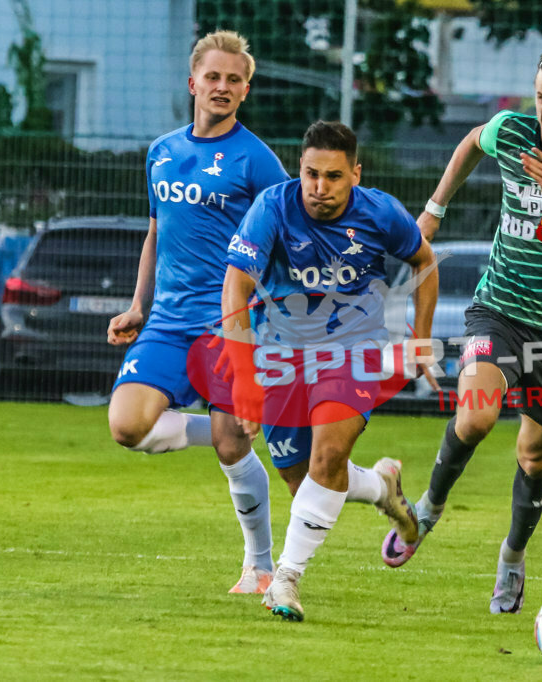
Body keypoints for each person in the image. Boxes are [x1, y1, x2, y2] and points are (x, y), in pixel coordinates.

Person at [380, 41, 542, 614]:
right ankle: (427, 510)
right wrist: (434, 210)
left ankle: (512, 557)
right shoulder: (513, 130)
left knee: (535, 456)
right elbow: (472, 141)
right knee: (476, 415)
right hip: (499, 308)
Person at [221, 120, 439, 622]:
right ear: (300, 169)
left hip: (353, 350)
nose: (320, 187)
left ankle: (286, 579)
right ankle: (381, 487)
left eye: (334, 176)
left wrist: (422, 339)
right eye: (311, 174)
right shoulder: (272, 208)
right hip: (281, 354)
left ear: (355, 174)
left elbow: (424, 262)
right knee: (305, 481)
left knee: (329, 454)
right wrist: (245, 380)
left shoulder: (381, 212)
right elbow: (235, 287)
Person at [106, 31, 290, 594]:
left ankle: (260, 566)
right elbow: (156, 232)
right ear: (193, 82)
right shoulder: (161, 151)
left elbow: (288, 236)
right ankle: (227, 427)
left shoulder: (257, 160)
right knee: (127, 426)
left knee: (234, 448)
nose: (222, 87)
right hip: (166, 322)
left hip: (229, 323)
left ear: (246, 90)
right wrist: (139, 305)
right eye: (213, 76)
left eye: (235, 79)